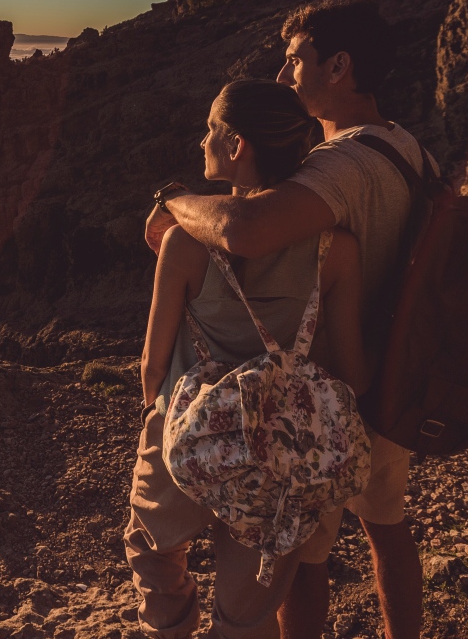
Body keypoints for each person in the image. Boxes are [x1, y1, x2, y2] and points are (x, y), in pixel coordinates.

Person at [144, 0, 434, 639]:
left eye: (296, 59)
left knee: (302, 558)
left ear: (339, 66)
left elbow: (243, 229)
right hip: (386, 378)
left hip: (320, 401)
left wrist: (172, 202)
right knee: (387, 528)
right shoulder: (408, 148)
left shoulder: (342, 164)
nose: (284, 75)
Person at [127, 78, 371, 639]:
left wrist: (157, 418)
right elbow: (351, 371)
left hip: (183, 432)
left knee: (151, 545)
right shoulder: (338, 249)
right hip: (279, 457)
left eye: (212, 128)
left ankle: (172, 629)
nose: (203, 137)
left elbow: (152, 363)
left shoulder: (185, 243)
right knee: (250, 611)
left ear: (237, 145)